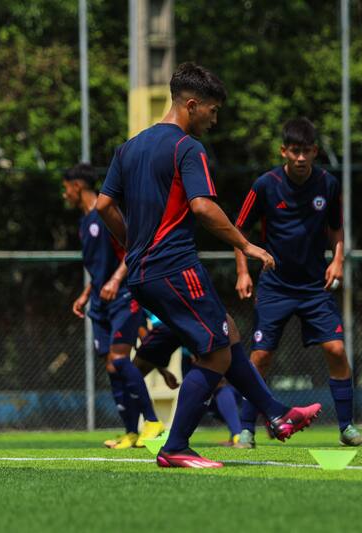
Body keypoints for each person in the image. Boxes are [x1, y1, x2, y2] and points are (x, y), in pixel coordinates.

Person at [96, 62, 321, 469]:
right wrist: (246, 244)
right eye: (212, 111)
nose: (215, 120)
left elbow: (104, 205)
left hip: (145, 274)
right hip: (175, 269)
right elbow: (202, 206)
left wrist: (132, 244)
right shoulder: (187, 148)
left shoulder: (127, 148)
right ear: (192, 105)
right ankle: (176, 446)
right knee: (215, 356)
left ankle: (276, 412)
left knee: (227, 335)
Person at [234, 118, 362, 448]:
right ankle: (245, 430)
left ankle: (347, 428)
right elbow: (238, 231)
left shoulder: (328, 185)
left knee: (337, 350)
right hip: (275, 286)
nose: (300, 157)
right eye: (294, 151)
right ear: (284, 151)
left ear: (315, 152)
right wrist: (243, 271)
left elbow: (336, 228)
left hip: (314, 287)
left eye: (306, 151)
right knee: (260, 357)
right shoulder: (264, 185)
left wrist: (337, 260)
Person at [63, 163, 164, 450]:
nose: (65, 194)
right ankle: (131, 432)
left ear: (77, 186)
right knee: (111, 365)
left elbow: (132, 249)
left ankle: (153, 422)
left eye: (66, 188)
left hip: (122, 297)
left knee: (120, 359)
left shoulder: (106, 212)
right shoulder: (84, 221)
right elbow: (99, 267)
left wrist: (116, 280)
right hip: (99, 301)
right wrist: (86, 294)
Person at [134, 311, 245, 447]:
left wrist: (195, 349)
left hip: (190, 332)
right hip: (184, 348)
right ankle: (239, 426)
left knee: (217, 384)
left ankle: (238, 433)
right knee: (201, 396)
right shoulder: (141, 303)